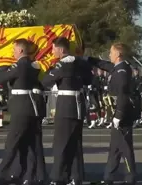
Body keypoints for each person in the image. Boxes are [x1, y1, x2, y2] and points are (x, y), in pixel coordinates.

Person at [41, 37, 92, 185]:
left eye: (54, 49)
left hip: (66, 105)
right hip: (79, 104)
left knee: (61, 143)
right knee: (75, 142)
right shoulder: (80, 63)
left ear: (62, 49)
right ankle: (76, 176)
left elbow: (45, 81)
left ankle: (58, 177)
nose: (52, 51)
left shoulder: (61, 64)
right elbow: (89, 79)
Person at [86, 43, 137, 185]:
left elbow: (123, 95)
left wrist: (118, 116)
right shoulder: (117, 68)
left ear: (118, 54)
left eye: (111, 52)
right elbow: (103, 64)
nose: (109, 55)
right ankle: (108, 178)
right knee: (114, 149)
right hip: (116, 113)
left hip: (122, 115)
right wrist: (88, 59)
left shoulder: (122, 71)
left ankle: (130, 178)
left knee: (126, 149)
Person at [0, 39, 41, 185]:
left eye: (14, 50)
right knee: (30, 144)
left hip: (21, 107)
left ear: (20, 50)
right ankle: (29, 176)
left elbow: (0, 79)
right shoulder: (35, 65)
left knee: (12, 142)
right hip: (32, 106)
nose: (13, 52)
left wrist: (3, 67)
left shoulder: (20, 65)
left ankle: (2, 174)